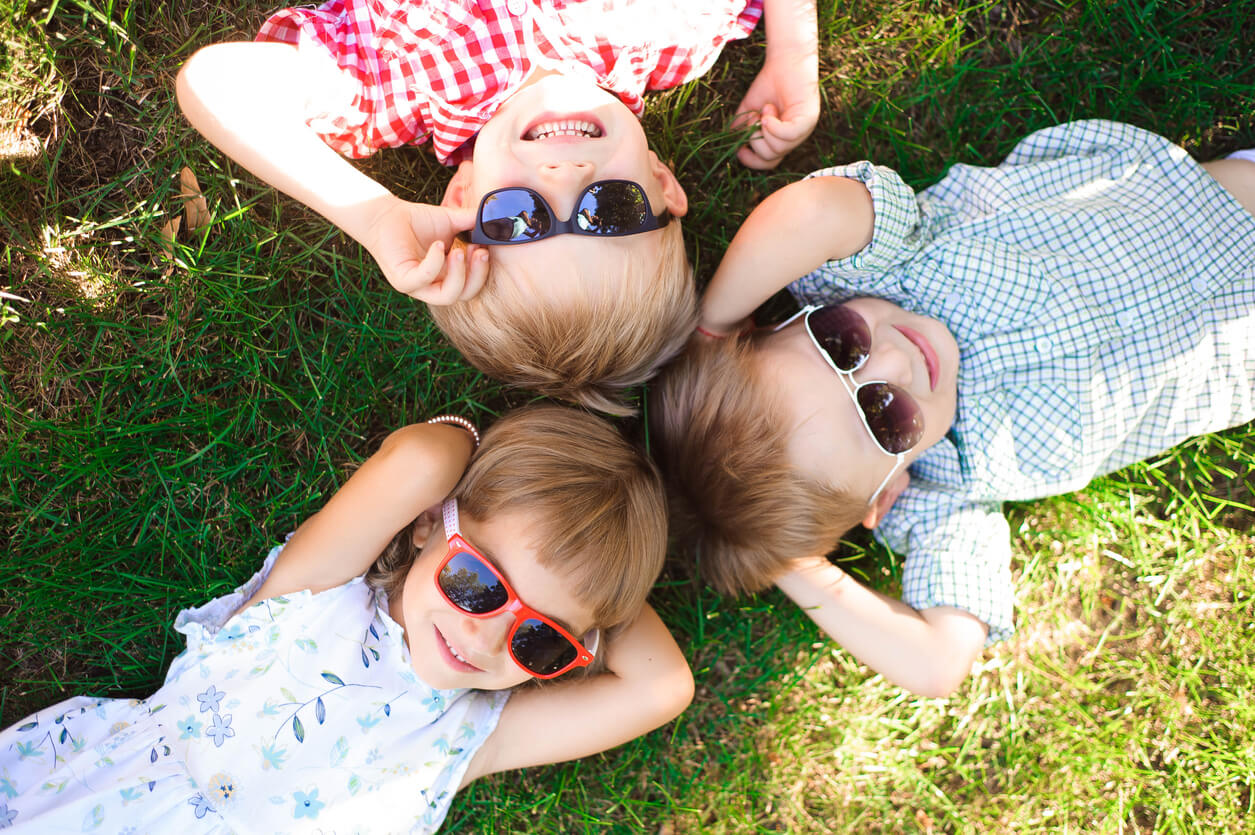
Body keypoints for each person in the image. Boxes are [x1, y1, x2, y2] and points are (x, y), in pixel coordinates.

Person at [652, 119, 1255, 698]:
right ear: (884, 495)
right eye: (885, 416)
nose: (892, 361)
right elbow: (937, 663)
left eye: (840, 343)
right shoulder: (947, 490)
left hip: (1218, 200)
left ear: (790, 318)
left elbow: (811, 213)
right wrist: (782, 560)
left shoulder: (891, 266)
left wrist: (714, 324)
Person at [0, 406, 693, 832]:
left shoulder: (470, 734)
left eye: (538, 638)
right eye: (476, 582)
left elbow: (661, 688)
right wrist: (470, 451)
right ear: (428, 522)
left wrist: (601, 589)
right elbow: (422, 458)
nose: (482, 635)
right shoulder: (315, 590)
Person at [174, 0, 821, 414]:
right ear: (661, 181)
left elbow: (215, 84)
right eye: (612, 209)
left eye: (517, 217)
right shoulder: (671, 31)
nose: (565, 175)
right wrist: (791, 55)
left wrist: (370, 214)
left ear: (461, 200)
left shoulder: (403, 82)